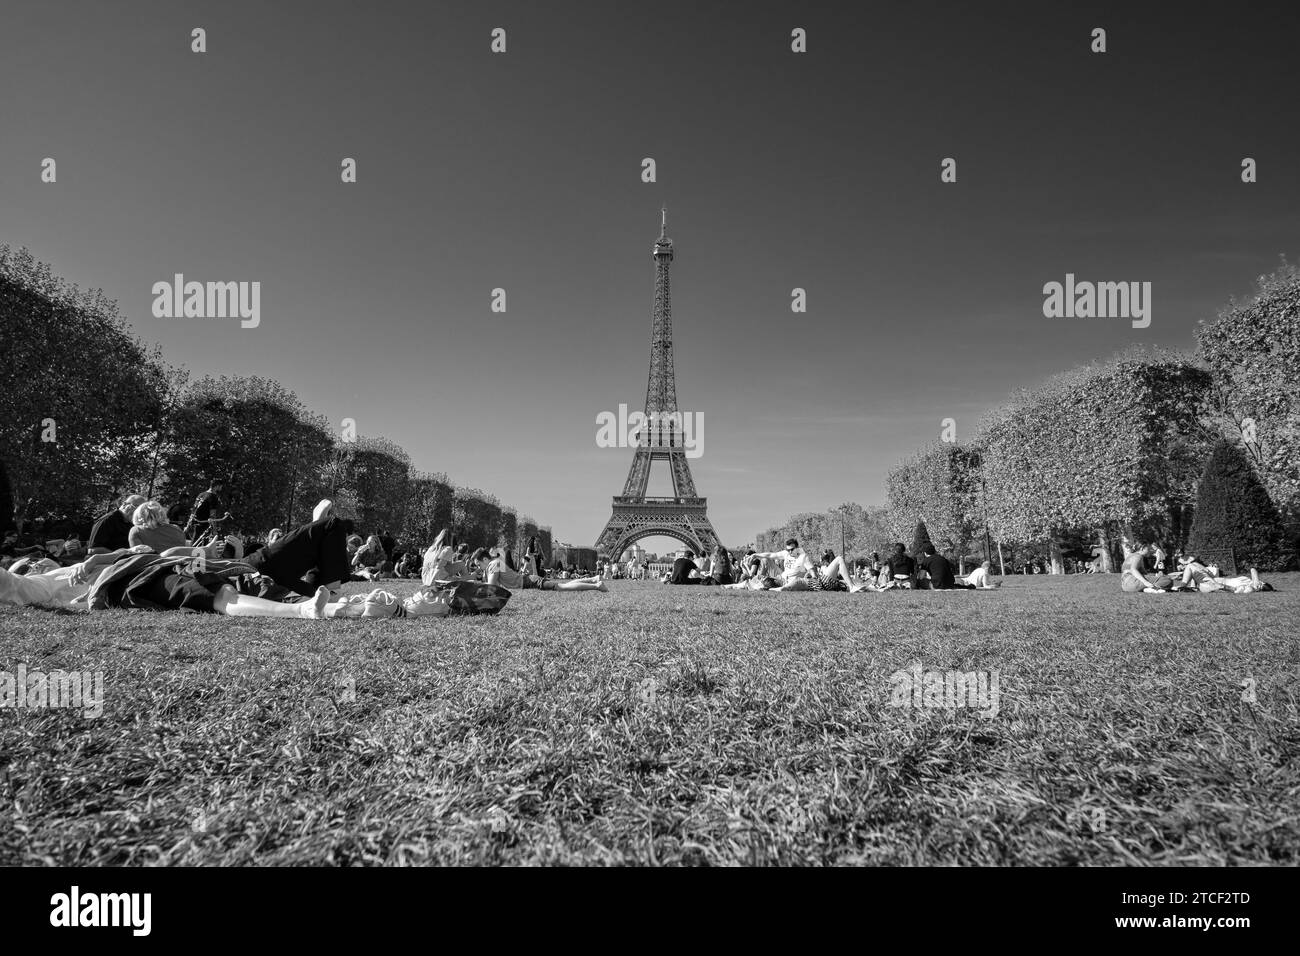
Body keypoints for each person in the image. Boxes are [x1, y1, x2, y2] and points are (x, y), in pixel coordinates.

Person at [243, 499, 351, 597]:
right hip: (259, 575)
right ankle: (333, 592)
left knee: (318, 595)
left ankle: (332, 593)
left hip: (258, 576)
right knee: (332, 525)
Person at [482, 548, 607, 591]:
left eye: (478, 564)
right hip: (531, 579)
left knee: (562, 587)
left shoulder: (494, 564)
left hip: (531, 581)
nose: (478, 567)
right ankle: (593, 579)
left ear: (484, 560)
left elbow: (491, 587)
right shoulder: (498, 562)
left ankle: (596, 585)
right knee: (563, 585)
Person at [752, 538, 818, 590]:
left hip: (790, 581)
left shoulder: (803, 556)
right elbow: (771, 555)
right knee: (764, 561)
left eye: (792, 549)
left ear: (797, 548)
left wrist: (814, 577)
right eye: (788, 550)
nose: (790, 552)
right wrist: (756, 555)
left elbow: (811, 569)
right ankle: (754, 583)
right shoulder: (786, 553)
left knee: (763, 582)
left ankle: (760, 584)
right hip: (781, 576)